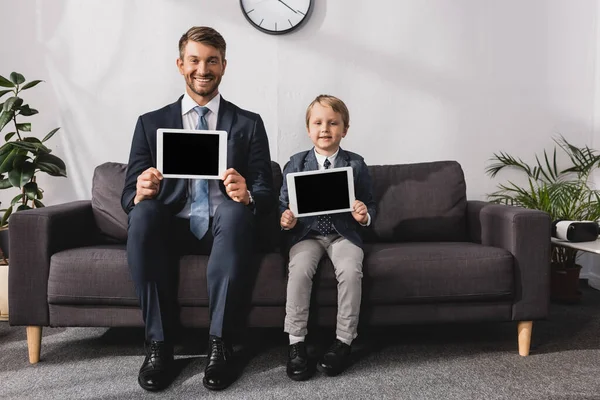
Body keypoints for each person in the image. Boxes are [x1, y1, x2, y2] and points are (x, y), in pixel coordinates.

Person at [121, 26, 274, 392]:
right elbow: (128, 194)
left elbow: (266, 191)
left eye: (211, 61)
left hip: (226, 230)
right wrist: (141, 191)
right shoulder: (151, 123)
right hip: (172, 227)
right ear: (180, 64)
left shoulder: (248, 124)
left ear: (224, 66)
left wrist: (248, 194)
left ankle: (220, 344)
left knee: (237, 213)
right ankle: (158, 346)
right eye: (194, 60)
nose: (202, 70)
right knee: (143, 213)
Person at [279, 95, 376, 380]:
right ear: (308, 129)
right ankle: (296, 342)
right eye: (318, 123)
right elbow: (283, 204)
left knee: (349, 270)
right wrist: (286, 219)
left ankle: (343, 341)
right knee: (298, 271)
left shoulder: (356, 164)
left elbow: (370, 203)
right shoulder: (296, 164)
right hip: (307, 234)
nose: (325, 129)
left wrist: (363, 214)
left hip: (342, 234)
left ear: (344, 129)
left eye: (333, 123)